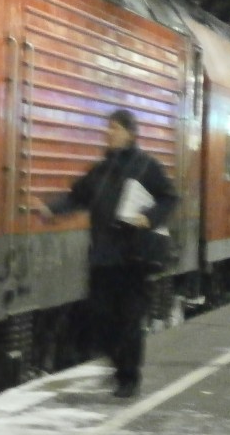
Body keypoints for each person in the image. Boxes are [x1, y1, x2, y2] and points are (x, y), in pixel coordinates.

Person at [32, 109, 178, 398]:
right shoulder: (101, 170)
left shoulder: (146, 167)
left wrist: (149, 217)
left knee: (129, 319)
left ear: (130, 133)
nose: (109, 133)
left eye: (115, 128)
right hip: (102, 258)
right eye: (108, 128)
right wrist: (50, 210)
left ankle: (128, 377)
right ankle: (120, 365)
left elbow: (169, 197)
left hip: (132, 259)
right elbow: (77, 197)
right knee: (100, 319)